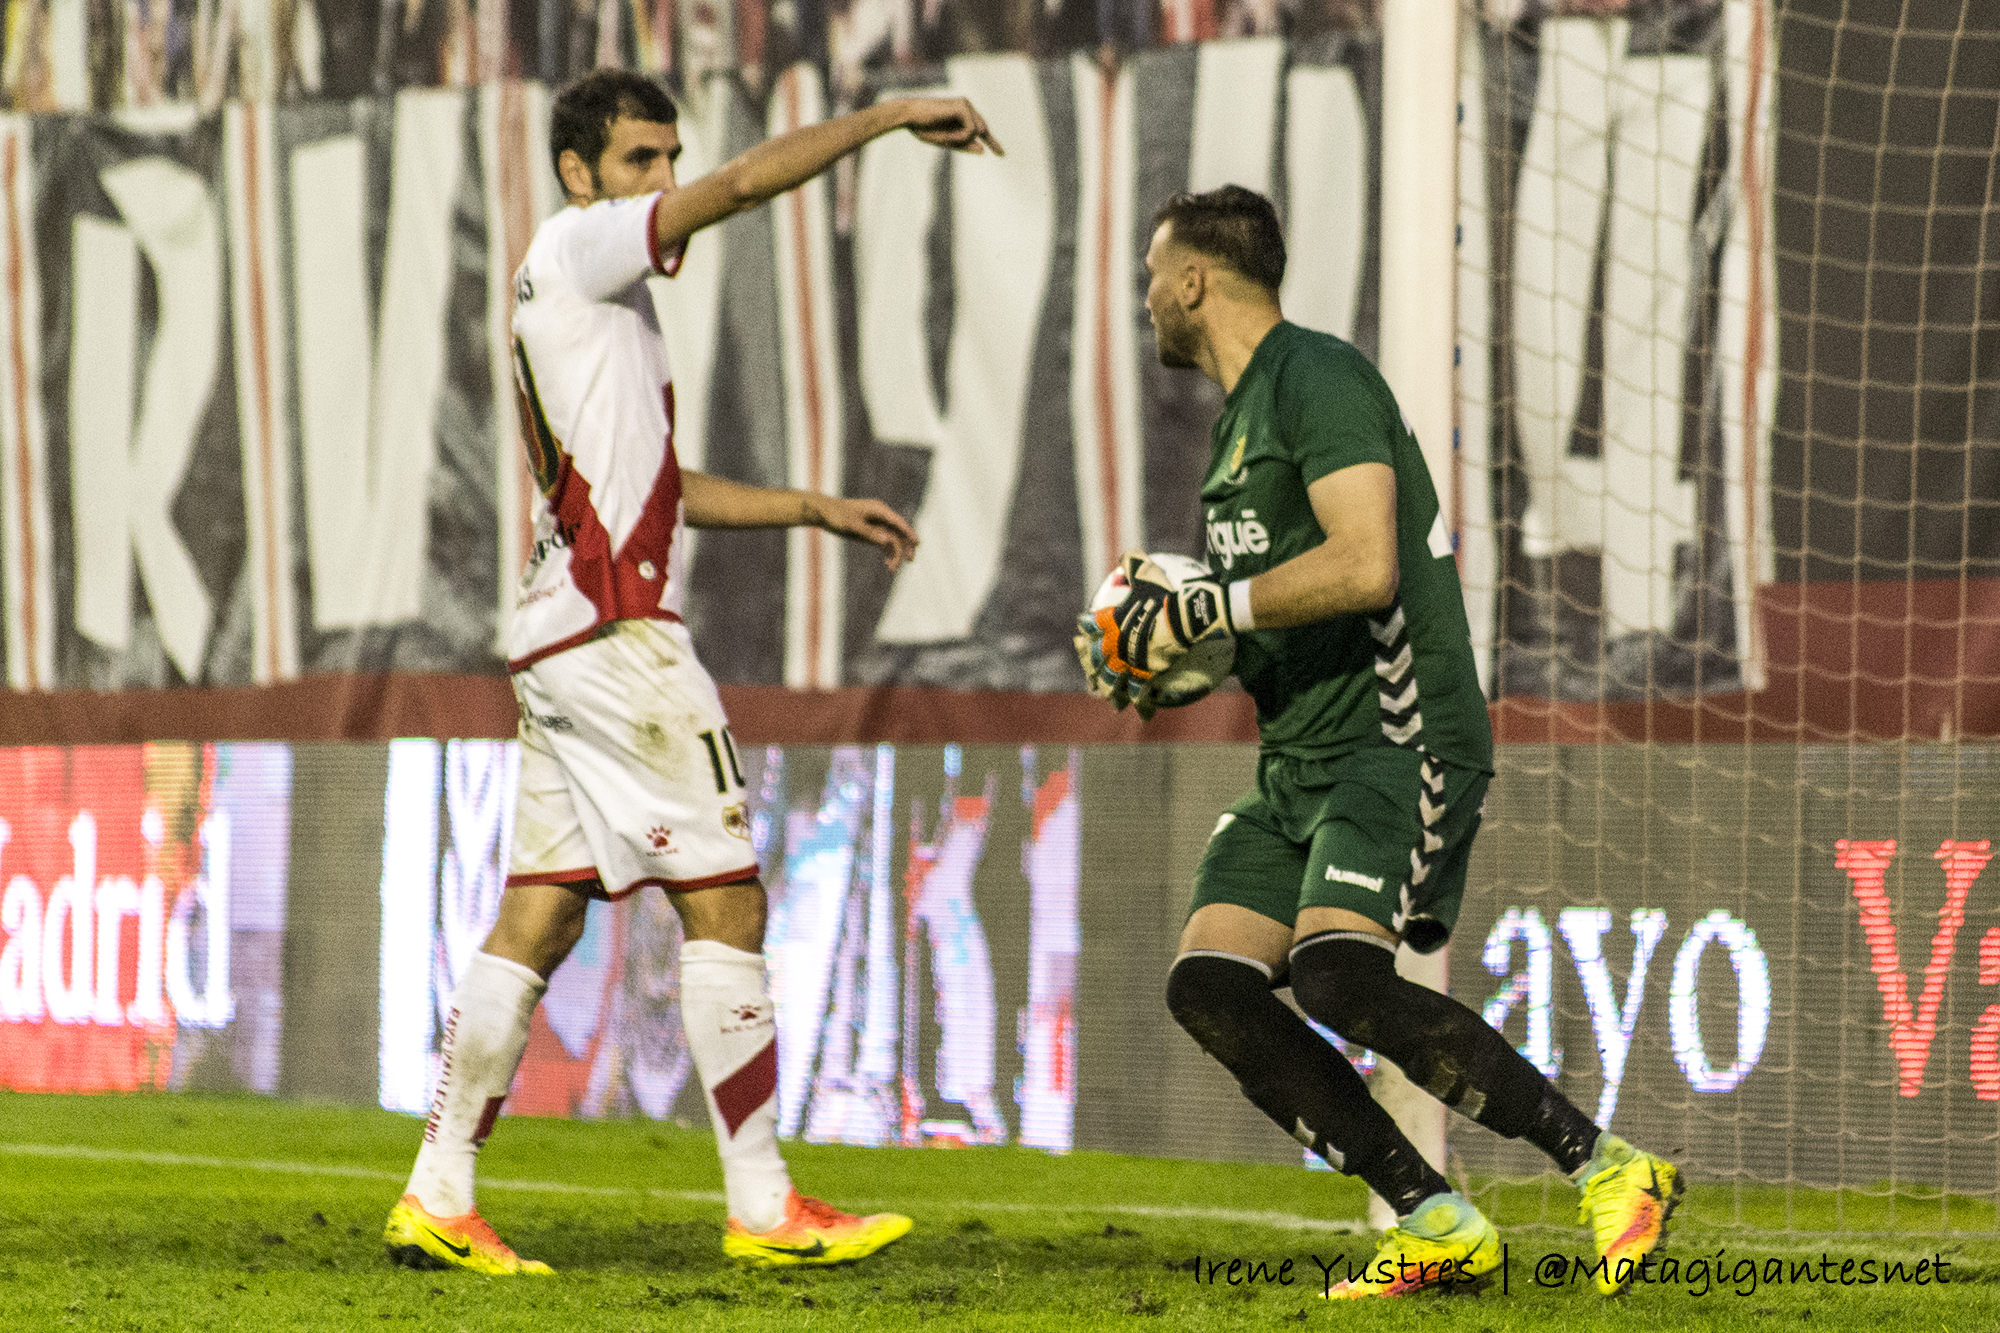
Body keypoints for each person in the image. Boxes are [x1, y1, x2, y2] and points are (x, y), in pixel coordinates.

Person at [384, 67, 1002, 1277]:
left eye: (668, 157)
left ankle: (438, 1192)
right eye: (636, 160)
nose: (660, 182)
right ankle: (764, 1202)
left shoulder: (591, 308)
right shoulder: (582, 250)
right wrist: (883, 118)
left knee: (540, 913)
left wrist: (813, 508)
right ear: (579, 173)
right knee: (727, 897)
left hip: (561, 637)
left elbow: (663, 491)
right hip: (618, 644)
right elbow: (738, 188)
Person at [1077, 185, 1680, 1299]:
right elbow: (1285, 611)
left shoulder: (1319, 378)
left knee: (1336, 973)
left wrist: (1205, 609)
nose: (1146, 298)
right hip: (1298, 757)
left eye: (1151, 275)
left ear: (1193, 280)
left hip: (1394, 737)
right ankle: (1436, 1219)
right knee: (1208, 983)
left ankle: (1609, 1168)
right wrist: (1173, 665)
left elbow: (1364, 567)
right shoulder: (1236, 425)